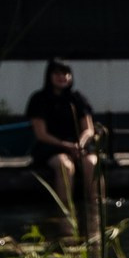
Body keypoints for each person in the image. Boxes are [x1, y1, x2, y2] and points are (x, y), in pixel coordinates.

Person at [25, 59, 101, 243]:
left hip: (78, 146)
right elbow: (41, 134)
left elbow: (88, 129)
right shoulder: (39, 99)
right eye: (58, 73)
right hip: (52, 147)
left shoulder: (77, 98)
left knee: (91, 163)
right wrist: (65, 145)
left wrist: (80, 143)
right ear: (49, 76)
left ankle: (95, 208)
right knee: (65, 166)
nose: (63, 77)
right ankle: (65, 212)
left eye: (66, 73)